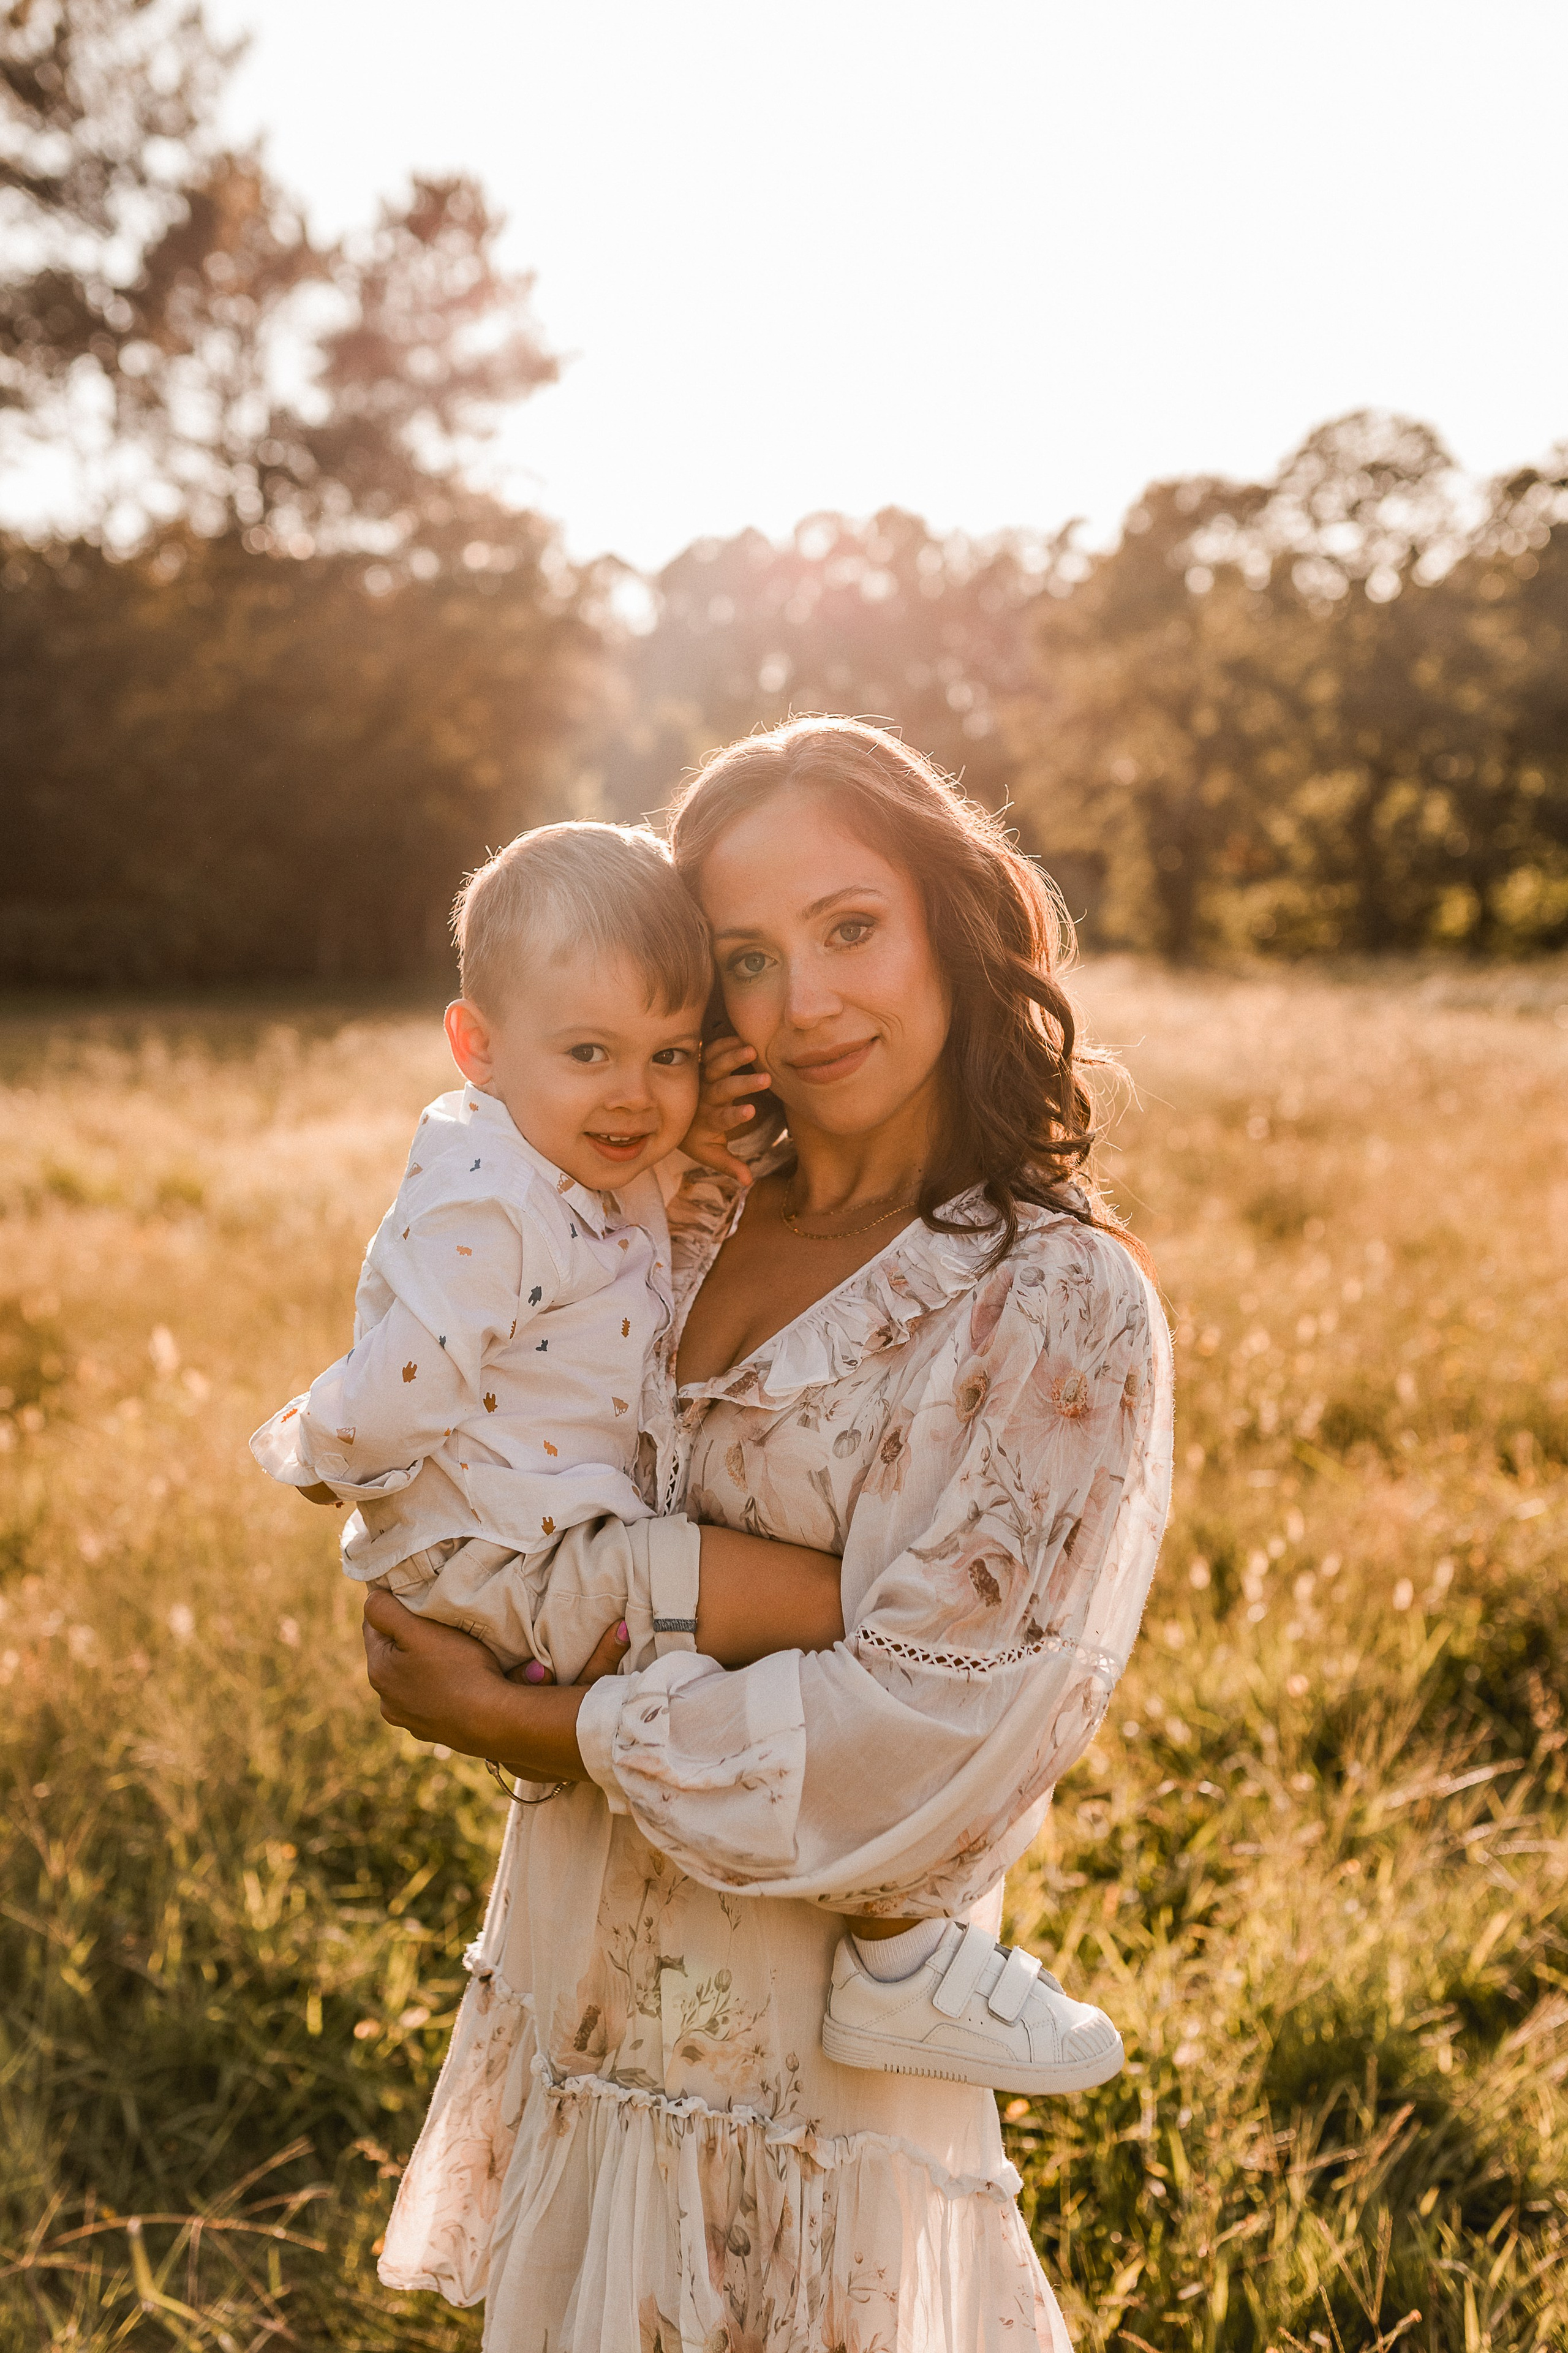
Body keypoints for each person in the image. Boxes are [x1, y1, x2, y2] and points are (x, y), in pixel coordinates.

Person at [364, 719, 1174, 2352]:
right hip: (586, 1999)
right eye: (746, 957)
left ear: (949, 918)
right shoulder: (674, 1210)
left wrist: (529, 1716)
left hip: (807, 2078)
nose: (804, 1002)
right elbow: (487, 1473)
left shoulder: (1049, 1300)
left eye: (851, 927)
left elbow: (928, 1737)